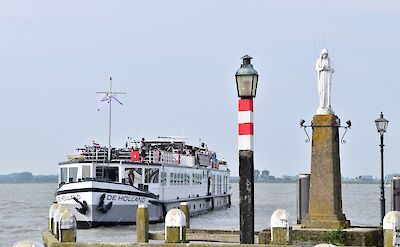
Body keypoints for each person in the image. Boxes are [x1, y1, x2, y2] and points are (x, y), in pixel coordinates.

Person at [315, 48, 334, 115]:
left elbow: (332, 69)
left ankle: (327, 104)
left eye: (326, 54)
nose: (325, 56)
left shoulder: (329, 61)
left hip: (327, 77)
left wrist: (328, 69)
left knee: (327, 91)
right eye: (324, 54)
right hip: (322, 77)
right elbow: (316, 68)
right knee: (322, 91)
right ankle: (322, 105)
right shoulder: (319, 61)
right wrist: (321, 68)